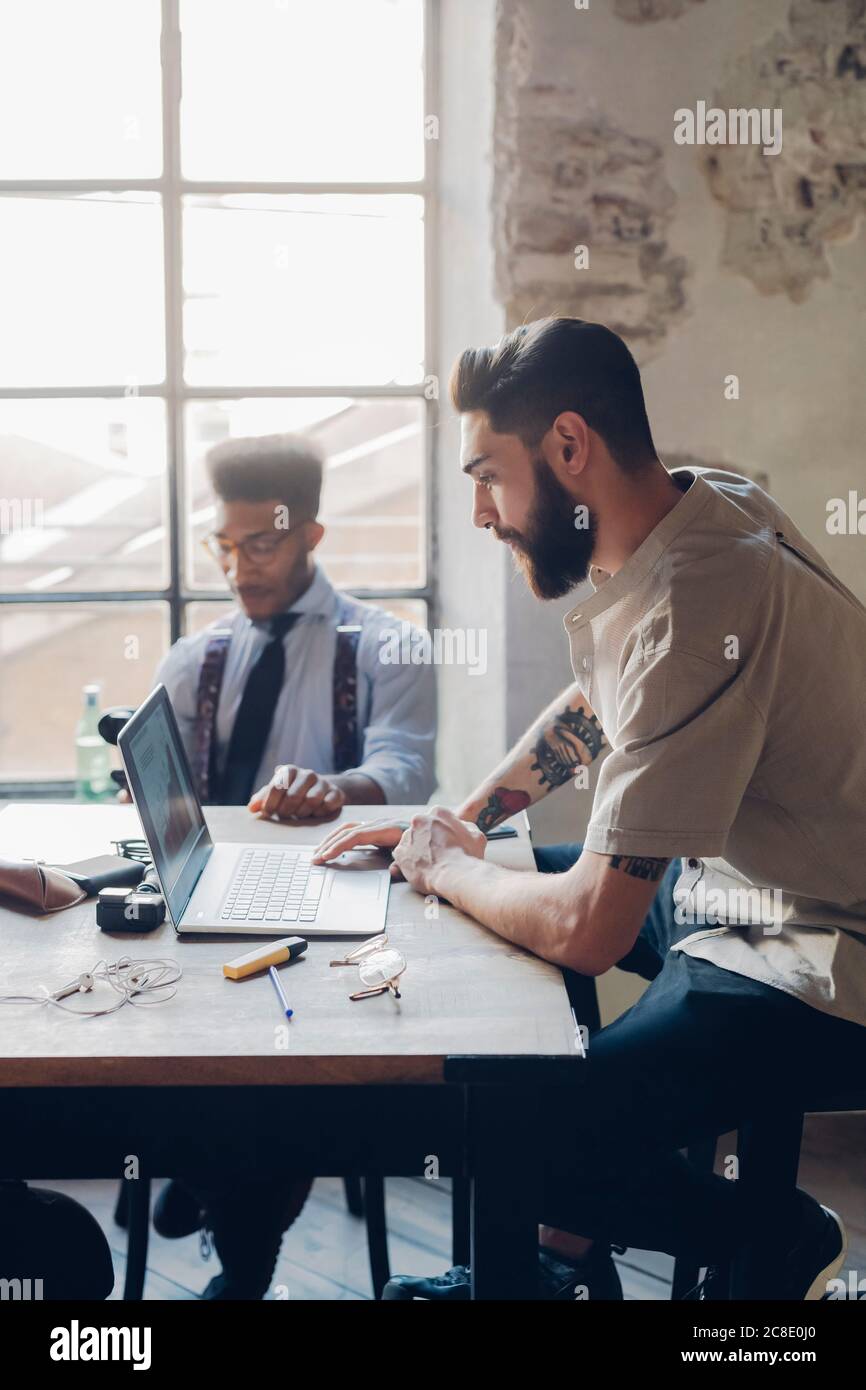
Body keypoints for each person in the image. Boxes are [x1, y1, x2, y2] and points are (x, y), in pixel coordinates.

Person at [313, 315, 866, 1301]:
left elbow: (587, 932)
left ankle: (776, 1236)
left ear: (568, 445)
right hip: (739, 885)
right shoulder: (701, 509)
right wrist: (467, 823)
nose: (481, 513)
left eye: (487, 474)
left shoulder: (703, 602)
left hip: (826, 943)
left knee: (512, 1133)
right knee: (508, 886)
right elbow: (609, 699)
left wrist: (443, 864)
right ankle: (559, 1267)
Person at [149, 432, 436, 1298]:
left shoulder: (389, 646)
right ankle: (214, 1186)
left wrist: (336, 787)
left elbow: (407, 772)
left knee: (284, 1047)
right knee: (168, 1019)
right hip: (202, 934)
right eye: (225, 545)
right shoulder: (192, 661)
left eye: (261, 544)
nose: (239, 568)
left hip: (329, 933)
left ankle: (233, 1235)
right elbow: (172, 817)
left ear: (312, 535)